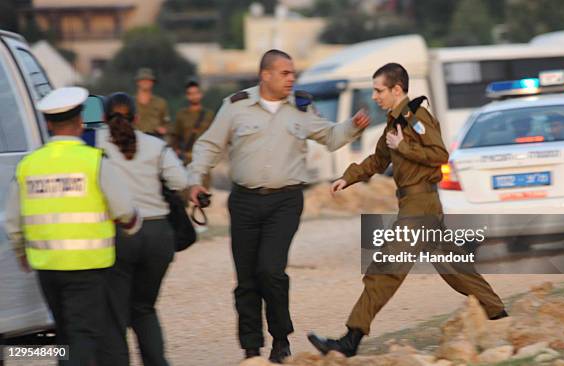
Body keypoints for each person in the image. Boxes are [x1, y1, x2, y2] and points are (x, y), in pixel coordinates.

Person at [307, 63, 507, 357]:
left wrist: (404, 147)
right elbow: (376, 160)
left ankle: (350, 341)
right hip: (419, 205)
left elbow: (440, 154)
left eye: (379, 91)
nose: (375, 96)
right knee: (455, 268)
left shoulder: (416, 118)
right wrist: (347, 178)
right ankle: (499, 314)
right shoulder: (393, 122)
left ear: (396, 89)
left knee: (385, 270)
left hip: (420, 206)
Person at [188, 49, 370, 363]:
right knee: (246, 279)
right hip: (244, 201)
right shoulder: (235, 107)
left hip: (285, 201)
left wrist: (353, 125)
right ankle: (251, 349)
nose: (291, 78)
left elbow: (328, 136)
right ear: (266, 75)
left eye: (292, 73)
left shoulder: (300, 106)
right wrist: (195, 180)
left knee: (271, 270)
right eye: (285, 73)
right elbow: (208, 145)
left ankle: (280, 338)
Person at [4, 87, 141, 366]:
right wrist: (130, 227)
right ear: (80, 122)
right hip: (86, 266)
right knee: (83, 334)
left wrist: (21, 251)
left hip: (47, 266)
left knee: (64, 333)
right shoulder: (93, 161)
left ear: (47, 125)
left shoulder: (28, 165)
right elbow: (126, 211)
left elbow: (13, 220)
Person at [95, 92, 188, 366]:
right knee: (144, 308)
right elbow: (180, 180)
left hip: (120, 233)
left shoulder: (93, 144)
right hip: (158, 235)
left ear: (103, 118)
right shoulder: (155, 146)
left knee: (115, 314)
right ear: (136, 118)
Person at [173, 79, 215, 188]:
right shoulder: (181, 115)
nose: (194, 96)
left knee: (203, 192)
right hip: (186, 159)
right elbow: (175, 136)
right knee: (185, 192)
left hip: (204, 159)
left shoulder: (209, 115)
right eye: (190, 94)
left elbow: (215, 136)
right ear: (187, 96)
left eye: (196, 93)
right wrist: (176, 151)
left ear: (201, 94)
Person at [134, 67, 170, 138]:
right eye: (142, 79)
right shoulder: (130, 102)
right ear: (137, 82)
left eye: (148, 80)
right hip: (135, 140)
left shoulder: (161, 103)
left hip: (155, 140)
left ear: (153, 82)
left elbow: (167, 124)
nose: (145, 82)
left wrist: (164, 129)